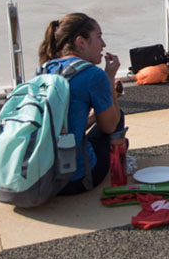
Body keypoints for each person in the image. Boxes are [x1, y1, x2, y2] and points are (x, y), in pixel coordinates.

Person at [37, 13, 126, 196]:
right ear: (81, 42)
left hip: (41, 176)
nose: (103, 45)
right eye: (99, 37)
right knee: (118, 117)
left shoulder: (45, 69)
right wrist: (109, 78)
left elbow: (59, 126)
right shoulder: (93, 75)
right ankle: (119, 155)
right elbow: (109, 126)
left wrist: (92, 117)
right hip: (75, 179)